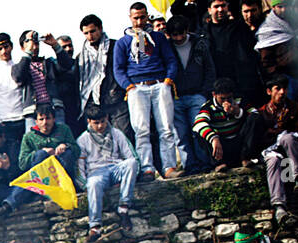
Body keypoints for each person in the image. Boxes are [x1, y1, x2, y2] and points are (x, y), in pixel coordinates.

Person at [113, 2, 182, 179]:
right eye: (135, 17)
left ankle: (169, 167)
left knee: (166, 128)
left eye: (142, 17)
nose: (139, 21)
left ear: (147, 16)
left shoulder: (158, 38)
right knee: (141, 130)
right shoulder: (123, 42)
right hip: (137, 87)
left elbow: (171, 60)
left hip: (160, 84)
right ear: (130, 17)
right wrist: (128, 86)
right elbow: (118, 69)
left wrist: (168, 80)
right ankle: (147, 168)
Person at [78, 106, 141, 239]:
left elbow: (131, 156)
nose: (100, 126)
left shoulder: (116, 133)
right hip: (96, 172)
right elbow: (79, 166)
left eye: (102, 121)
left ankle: (123, 208)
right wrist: (84, 184)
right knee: (93, 184)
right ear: (89, 121)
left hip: (115, 167)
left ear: (107, 118)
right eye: (96, 123)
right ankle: (95, 226)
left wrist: (129, 175)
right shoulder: (83, 139)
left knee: (132, 163)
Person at [167, 15, 217, 173]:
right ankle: (190, 166)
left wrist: (205, 91)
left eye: (181, 33)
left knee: (199, 130)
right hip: (175, 96)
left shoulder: (199, 43)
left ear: (187, 31)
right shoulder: (167, 46)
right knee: (180, 135)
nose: (179, 38)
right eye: (174, 35)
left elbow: (210, 68)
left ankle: (205, 163)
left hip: (197, 94)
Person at [78, 14, 134, 142]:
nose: (90, 36)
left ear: (100, 29)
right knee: (100, 141)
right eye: (86, 33)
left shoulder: (116, 46)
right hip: (94, 103)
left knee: (124, 137)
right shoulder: (82, 56)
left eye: (93, 31)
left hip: (117, 100)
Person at [259, 76, 298, 224]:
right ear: (269, 91)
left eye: (284, 89)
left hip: (292, 152)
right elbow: (260, 138)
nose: (281, 92)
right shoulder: (262, 113)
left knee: (287, 138)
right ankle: (279, 206)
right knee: (273, 160)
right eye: (277, 89)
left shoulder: (294, 108)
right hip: (274, 151)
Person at [193, 78, 266, 171]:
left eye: (229, 98)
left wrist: (238, 112)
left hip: (240, 144)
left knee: (255, 118)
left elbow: (256, 115)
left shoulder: (239, 101)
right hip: (221, 147)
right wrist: (214, 138)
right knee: (200, 132)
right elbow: (198, 124)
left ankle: (246, 157)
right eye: (222, 98)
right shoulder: (208, 107)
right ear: (214, 95)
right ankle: (219, 163)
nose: (226, 101)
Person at [205, 0, 262, 106]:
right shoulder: (204, 33)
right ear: (209, 10)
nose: (220, 9)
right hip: (218, 85)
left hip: (243, 84)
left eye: (223, 6)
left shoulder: (240, 27)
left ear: (228, 7)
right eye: (216, 6)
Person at [12, 29, 73, 130]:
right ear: (22, 47)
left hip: (54, 109)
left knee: (61, 137)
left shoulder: (50, 63)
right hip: (33, 112)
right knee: (33, 141)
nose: (34, 47)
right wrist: (28, 52)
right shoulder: (19, 66)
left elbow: (67, 65)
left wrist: (55, 45)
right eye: (29, 42)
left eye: (36, 43)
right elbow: (19, 76)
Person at [0, 35, 27, 147]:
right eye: (0, 49)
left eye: (6, 47)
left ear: (11, 47)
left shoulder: (19, 67)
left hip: (22, 118)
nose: (4, 51)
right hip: (4, 121)